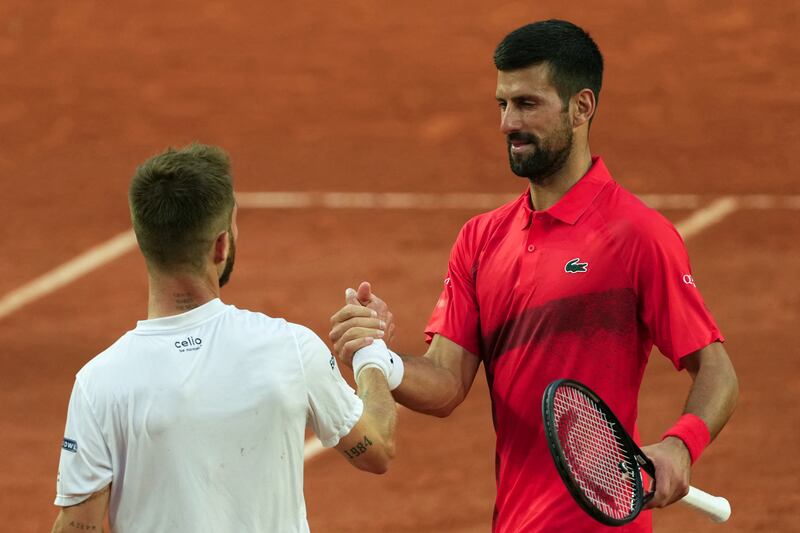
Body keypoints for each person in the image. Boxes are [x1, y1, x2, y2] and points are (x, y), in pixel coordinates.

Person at [329, 19, 739, 533]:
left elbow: (717, 371)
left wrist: (681, 446)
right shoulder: (480, 239)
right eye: (502, 104)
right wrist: (376, 356)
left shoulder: (638, 235)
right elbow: (446, 382)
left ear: (581, 107)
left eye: (527, 104)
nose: (506, 123)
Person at [51, 143, 397, 533]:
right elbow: (377, 450)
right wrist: (371, 353)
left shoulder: (99, 383)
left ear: (145, 241)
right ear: (220, 245)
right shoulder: (290, 348)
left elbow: (80, 526)